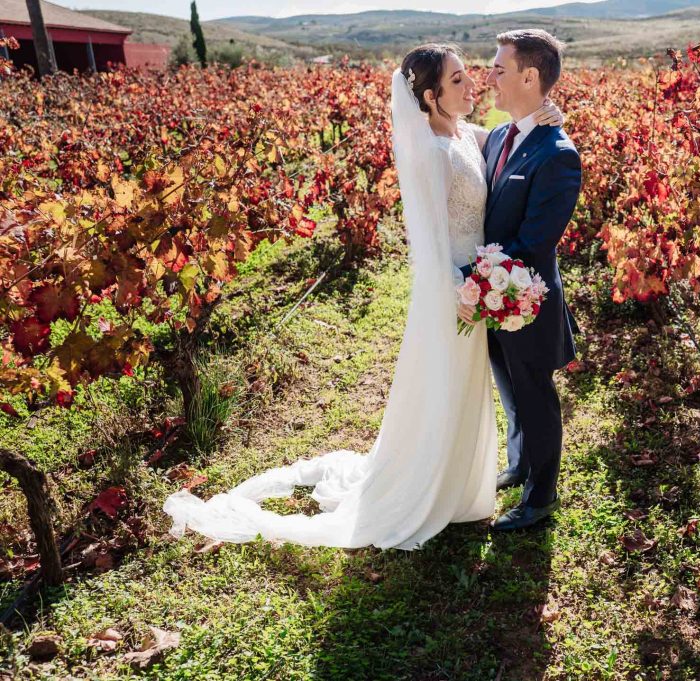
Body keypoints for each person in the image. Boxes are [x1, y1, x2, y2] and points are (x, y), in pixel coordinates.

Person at [161, 43, 565, 550]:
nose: (473, 85)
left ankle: (467, 479)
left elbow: (515, 141)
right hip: (456, 289)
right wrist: (462, 288)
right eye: (458, 80)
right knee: (446, 388)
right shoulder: (432, 154)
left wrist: (548, 114)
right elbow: (431, 240)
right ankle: (433, 485)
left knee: (473, 388)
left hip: (479, 285)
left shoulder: (471, 134)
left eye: (470, 76)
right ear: (430, 97)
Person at [458, 29, 582, 531]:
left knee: (534, 398)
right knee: (510, 392)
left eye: (499, 69)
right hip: (492, 298)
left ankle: (541, 497)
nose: (489, 77)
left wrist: (465, 279)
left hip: (523, 302)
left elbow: (533, 246)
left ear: (530, 77)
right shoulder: (501, 132)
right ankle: (522, 466)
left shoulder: (558, 154)